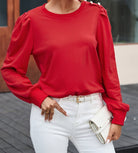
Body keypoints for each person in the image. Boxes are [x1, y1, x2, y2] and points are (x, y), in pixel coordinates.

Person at [0, 0, 129, 153]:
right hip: (51, 115)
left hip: (93, 113)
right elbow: (11, 70)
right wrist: (38, 96)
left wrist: (118, 115)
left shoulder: (96, 14)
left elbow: (109, 70)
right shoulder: (31, 20)